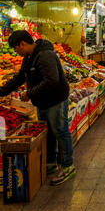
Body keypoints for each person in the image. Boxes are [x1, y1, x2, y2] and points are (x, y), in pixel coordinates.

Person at [0, 30, 75, 186]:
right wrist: (2, 91)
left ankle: (68, 166)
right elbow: (20, 77)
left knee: (60, 131)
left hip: (56, 100)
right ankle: (51, 163)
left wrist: (30, 93)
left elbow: (52, 81)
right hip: (43, 102)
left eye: (16, 48)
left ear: (23, 44)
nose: (15, 52)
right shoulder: (28, 57)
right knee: (49, 134)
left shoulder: (45, 55)